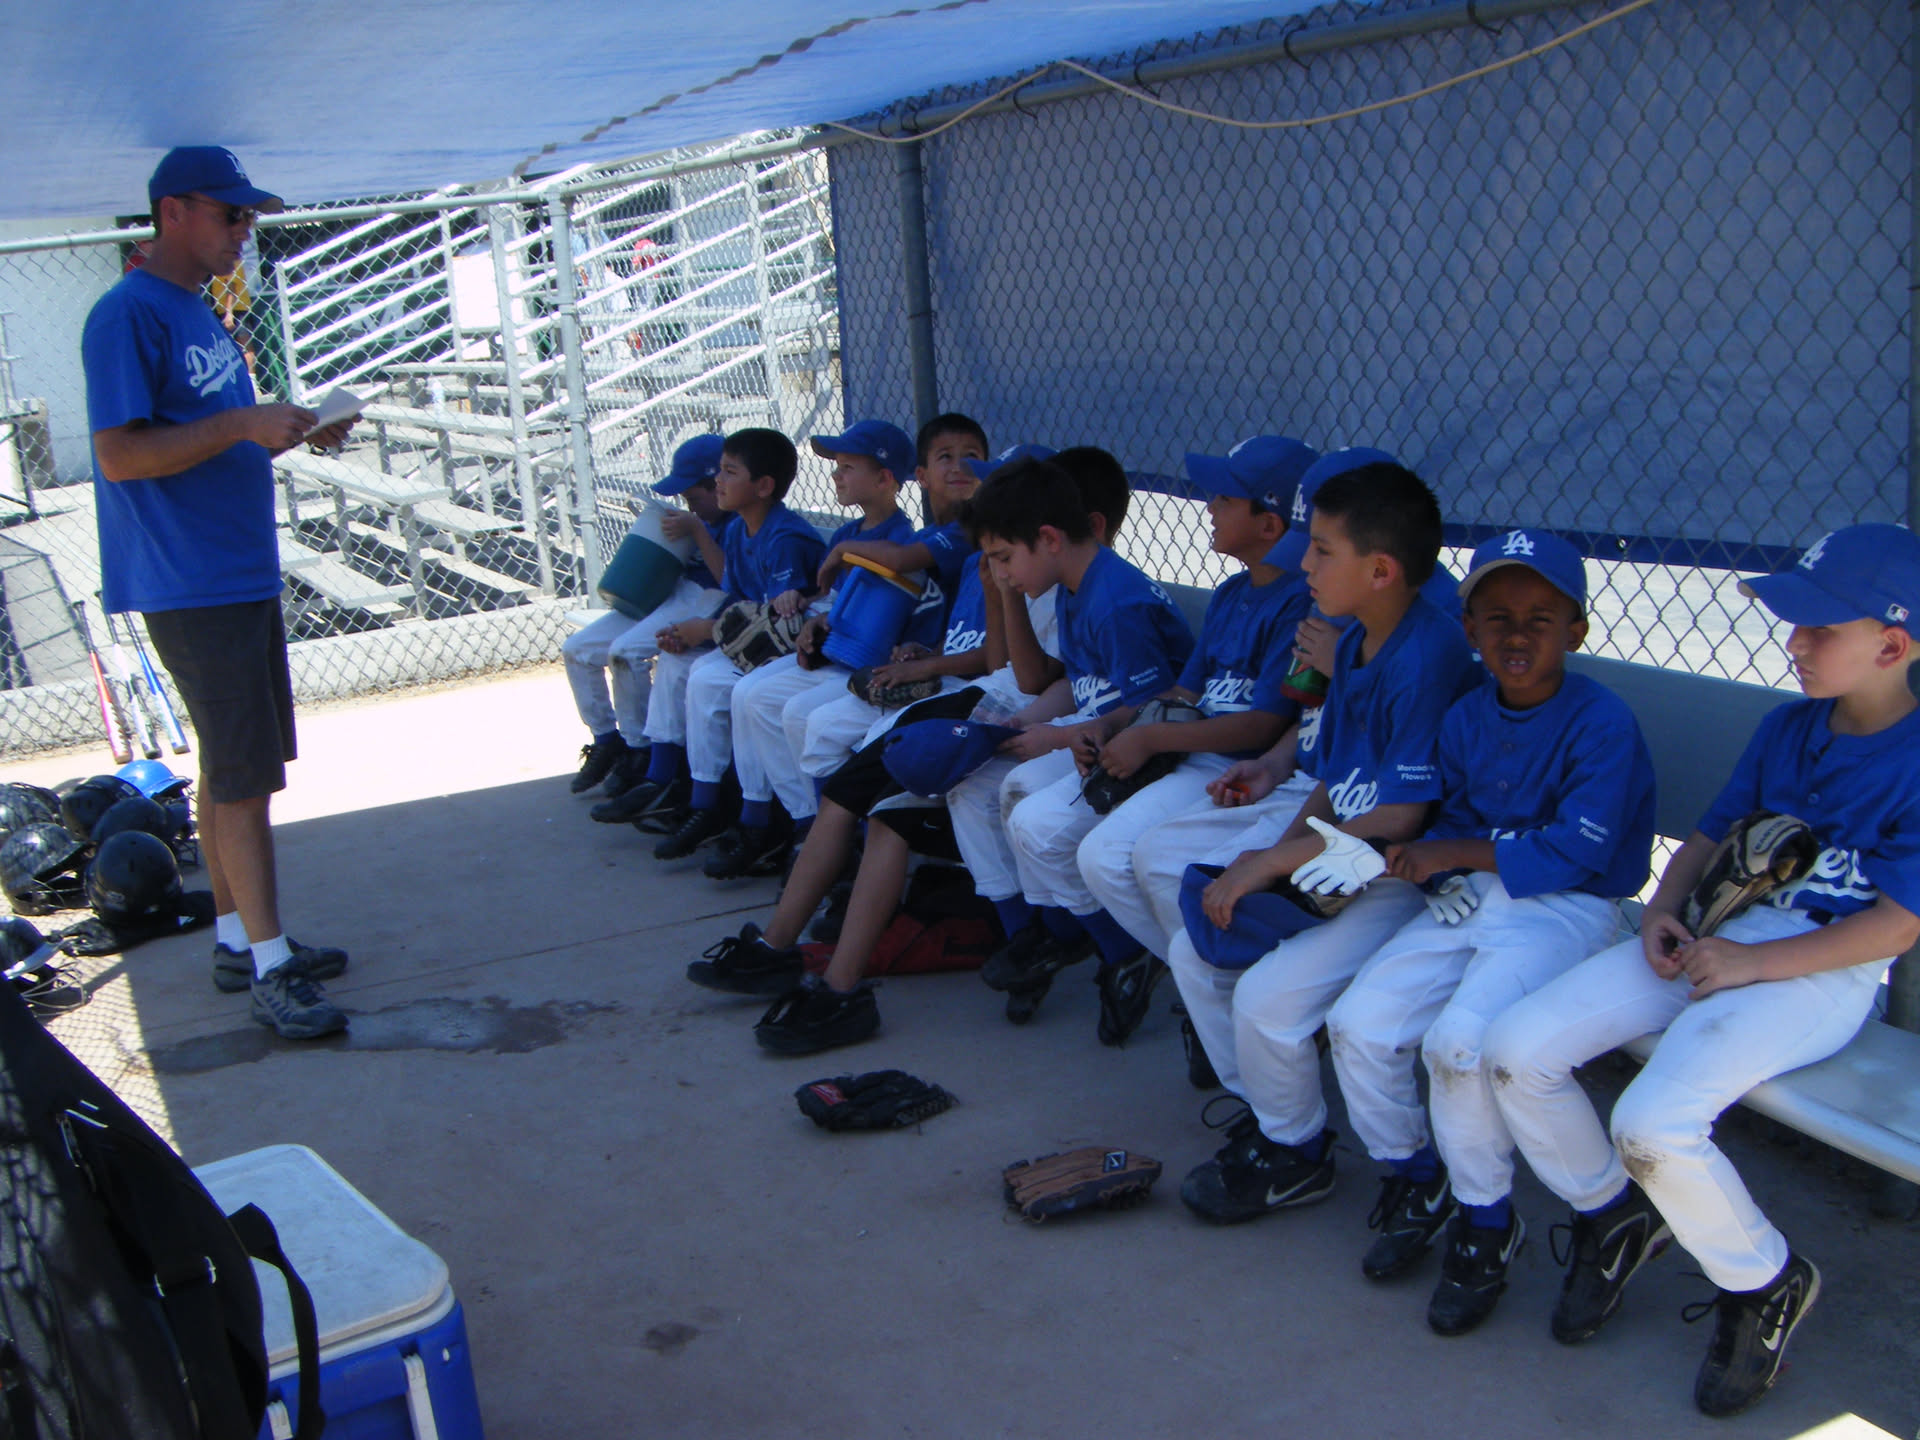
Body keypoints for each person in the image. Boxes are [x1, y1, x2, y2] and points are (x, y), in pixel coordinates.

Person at [1483, 522, 1920, 1417]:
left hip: (1819, 967)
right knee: (1514, 1050)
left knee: (1653, 1124)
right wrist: (1662, 912)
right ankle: (1614, 1214)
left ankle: (1763, 1281)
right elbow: (1709, 838)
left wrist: (1756, 963)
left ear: (1892, 645)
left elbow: (1895, 926)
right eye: (1795, 624)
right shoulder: (1787, 726)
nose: (1795, 643)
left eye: (1820, 629)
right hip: (1720, 934)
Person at [1317, 529, 1655, 1335]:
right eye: (1497, 617)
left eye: (1541, 618)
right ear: (1469, 629)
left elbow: (1576, 852)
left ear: (1577, 630)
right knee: (1358, 1022)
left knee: (1458, 1046)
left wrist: (1452, 854)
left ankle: (1486, 1221)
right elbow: (1457, 818)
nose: (1517, 634)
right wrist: (1427, 868)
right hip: (1471, 892)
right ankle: (1418, 1174)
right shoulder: (1468, 715)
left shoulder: (1602, 721)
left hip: (1568, 905)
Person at [82, 147, 354, 1041]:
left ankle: (240, 942)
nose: (245, 231)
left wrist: (283, 430)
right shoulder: (127, 314)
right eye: (231, 214)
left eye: (249, 217)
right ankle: (273, 967)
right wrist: (242, 421)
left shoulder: (194, 309)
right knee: (243, 777)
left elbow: (205, 437)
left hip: (230, 570)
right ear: (174, 211)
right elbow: (120, 454)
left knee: (231, 768)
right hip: (192, 578)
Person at [1165, 461, 1479, 1223]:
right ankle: (1276, 1115)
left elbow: (1399, 817)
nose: (1305, 564)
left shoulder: (1426, 653)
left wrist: (1276, 862)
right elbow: (1338, 781)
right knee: (1195, 944)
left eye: (1323, 550)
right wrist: (1270, 856)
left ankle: (1313, 1157)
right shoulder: (1360, 638)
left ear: (1380, 570)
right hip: (1349, 851)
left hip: (1407, 873)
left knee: (1268, 998)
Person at [1001, 434, 1317, 1046]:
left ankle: (1215, 991)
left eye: (1225, 499)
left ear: (1270, 523)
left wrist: (1151, 741)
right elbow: (1183, 691)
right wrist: (1111, 726)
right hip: (1190, 750)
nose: (1209, 507)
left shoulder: (1299, 602)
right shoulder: (1230, 593)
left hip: (1233, 764)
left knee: (1122, 855)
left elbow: (1265, 725)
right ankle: (1196, 983)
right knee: (1095, 852)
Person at [948, 452, 1195, 1024]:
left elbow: (1157, 709)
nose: (1001, 574)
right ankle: (1056, 931)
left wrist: (1059, 739)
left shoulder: (1115, 601)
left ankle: (1122, 950)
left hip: (1157, 751)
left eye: (1004, 557)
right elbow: (1078, 686)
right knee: (997, 790)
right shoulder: (1072, 584)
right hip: (1097, 732)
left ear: (1050, 539)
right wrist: (1038, 723)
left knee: (1034, 817)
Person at [705, 420, 920, 878]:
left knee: (792, 710)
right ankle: (799, 821)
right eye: (836, 466)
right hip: (832, 652)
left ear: (885, 478)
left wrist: (827, 620)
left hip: (865, 661)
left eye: (848, 467)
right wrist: (812, 619)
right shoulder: (846, 533)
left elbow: (884, 619)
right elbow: (832, 602)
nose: (836, 475)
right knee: (749, 694)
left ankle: (824, 832)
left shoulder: (905, 540)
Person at [642, 429, 826, 856]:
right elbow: (738, 602)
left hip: (791, 651)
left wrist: (707, 631)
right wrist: (694, 632)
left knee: (728, 687)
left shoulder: (785, 537)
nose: (719, 481)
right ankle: (701, 798)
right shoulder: (740, 529)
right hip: (756, 647)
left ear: (763, 486)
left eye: (729, 472)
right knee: (694, 669)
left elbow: (782, 626)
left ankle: (756, 819)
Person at [563, 434, 728, 801]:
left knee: (626, 652)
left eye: (694, 496)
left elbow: (732, 581)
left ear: (718, 483)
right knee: (578, 648)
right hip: (670, 590)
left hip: (705, 598)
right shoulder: (699, 517)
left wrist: (696, 531)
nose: (689, 505)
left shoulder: (736, 519)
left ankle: (640, 750)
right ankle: (607, 741)